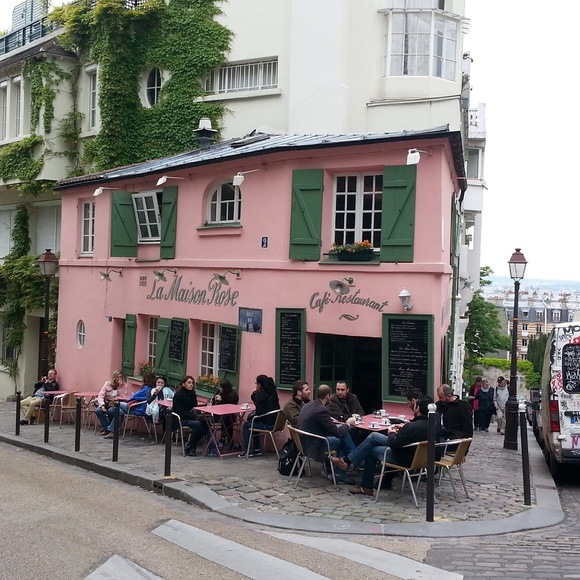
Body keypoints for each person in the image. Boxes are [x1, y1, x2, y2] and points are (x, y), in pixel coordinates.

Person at [329, 396, 440, 496]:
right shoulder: (432, 424)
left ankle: (363, 483)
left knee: (371, 450)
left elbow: (394, 444)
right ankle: (348, 462)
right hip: (421, 458)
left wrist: (391, 432)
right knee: (374, 437)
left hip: (403, 458)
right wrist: (403, 428)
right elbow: (411, 437)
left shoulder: (413, 427)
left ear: (418, 408)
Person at [296, 384, 356, 484]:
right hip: (314, 444)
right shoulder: (321, 410)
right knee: (343, 437)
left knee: (343, 432)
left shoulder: (308, 405)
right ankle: (343, 470)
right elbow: (337, 433)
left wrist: (332, 422)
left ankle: (347, 460)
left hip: (303, 441)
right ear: (328, 396)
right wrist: (348, 424)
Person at [239, 375, 280, 458]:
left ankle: (247, 450)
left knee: (246, 425)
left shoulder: (261, 394)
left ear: (259, 384)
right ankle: (257, 449)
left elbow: (259, 412)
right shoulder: (272, 392)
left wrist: (255, 394)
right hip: (276, 423)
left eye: (256, 384)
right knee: (253, 422)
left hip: (267, 424)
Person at [172, 375, 209, 457]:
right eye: (189, 383)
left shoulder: (193, 394)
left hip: (192, 417)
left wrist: (198, 414)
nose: (191, 385)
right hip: (181, 419)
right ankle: (192, 447)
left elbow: (194, 407)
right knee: (198, 424)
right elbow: (180, 412)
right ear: (183, 384)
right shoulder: (178, 395)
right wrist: (194, 417)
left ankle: (190, 444)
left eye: (192, 383)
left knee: (206, 425)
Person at [96, 370, 129, 438]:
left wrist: (121, 387)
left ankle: (111, 429)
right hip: (107, 403)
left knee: (111, 411)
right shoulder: (107, 384)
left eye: (120, 377)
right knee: (98, 411)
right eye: (117, 377)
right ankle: (107, 429)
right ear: (114, 377)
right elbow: (101, 395)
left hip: (116, 404)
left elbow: (125, 397)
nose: (119, 379)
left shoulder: (124, 385)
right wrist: (102, 405)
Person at [211, 378, 239, 449]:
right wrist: (214, 399)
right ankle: (230, 441)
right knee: (226, 420)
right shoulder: (219, 392)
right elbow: (213, 403)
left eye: (221, 387)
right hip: (218, 414)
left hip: (230, 415)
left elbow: (229, 408)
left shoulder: (234, 396)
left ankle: (223, 438)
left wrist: (221, 401)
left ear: (225, 388)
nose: (219, 389)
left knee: (227, 418)